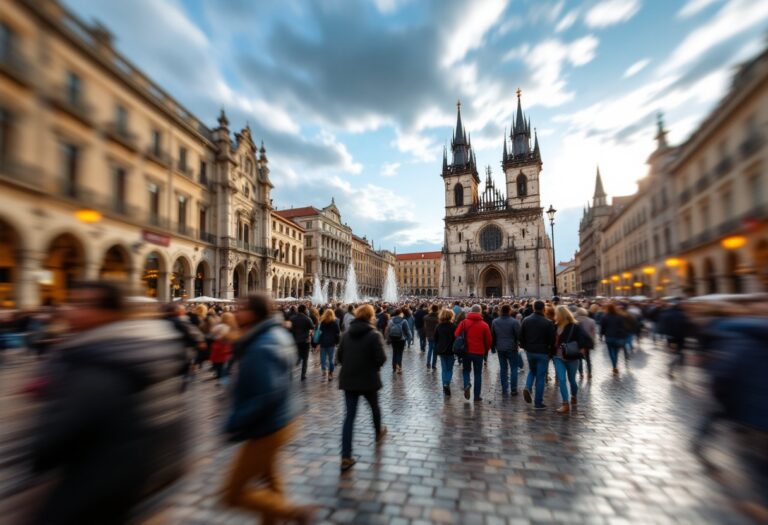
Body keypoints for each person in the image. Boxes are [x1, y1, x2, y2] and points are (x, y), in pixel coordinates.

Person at [27, 281, 188, 525]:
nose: (69, 310)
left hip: (93, 490)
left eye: (81, 304)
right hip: (133, 486)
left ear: (110, 311)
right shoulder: (150, 346)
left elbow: (51, 443)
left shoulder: (99, 359)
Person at [223, 294, 318, 525]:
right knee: (271, 480)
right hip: (282, 419)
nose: (236, 311)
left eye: (241, 308)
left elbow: (267, 394)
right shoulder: (275, 334)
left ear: (254, 313)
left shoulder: (262, 345)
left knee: (231, 494)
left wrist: (234, 423)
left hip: (267, 425)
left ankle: (293, 512)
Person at [337, 305, 388, 472]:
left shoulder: (346, 334)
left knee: (349, 417)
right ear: (371, 317)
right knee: (374, 408)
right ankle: (378, 432)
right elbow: (381, 358)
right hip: (368, 379)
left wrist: (351, 365)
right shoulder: (374, 335)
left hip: (349, 379)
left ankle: (345, 456)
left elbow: (339, 357)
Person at [553, 306, 592, 414]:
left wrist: (581, 349)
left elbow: (584, 339)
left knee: (572, 380)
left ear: (561, 315)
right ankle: (565, 404)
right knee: (561, 379)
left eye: (557, 313)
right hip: (558, 357)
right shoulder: (554, 326)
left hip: (572, 357)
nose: (555, 316)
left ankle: (574, 395)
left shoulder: (575, 326)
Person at [520, 300, 556, 410]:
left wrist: (526, 347)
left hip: (530, 351)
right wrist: (550, 352)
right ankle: (538, 402)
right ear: (543, 309)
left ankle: (528, 386)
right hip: (543, 352)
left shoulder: (526, 320)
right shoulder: (548, 322)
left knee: (532, 371)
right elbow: (552, 340)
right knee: (540, 377)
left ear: (533, 308)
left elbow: (521, 337)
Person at [455, 305, 492, 402]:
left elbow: (456, 334)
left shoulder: (463, 323)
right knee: (477, 374)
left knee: (466, 370)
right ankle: (476, 396)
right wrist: (485, 351)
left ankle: (467, 384)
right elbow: (488, 341)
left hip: (466, 351)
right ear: (480, 312)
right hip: (479, 352)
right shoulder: (484, 325)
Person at [491, 304, 521, 396]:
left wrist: (493, 347)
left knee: (503, 369)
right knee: (514, 368)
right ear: (509, 311)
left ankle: (504, 389)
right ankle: (514, 389)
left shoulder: (495, 321)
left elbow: (493, 335)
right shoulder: (514, 322)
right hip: (512, 347)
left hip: (500, 348)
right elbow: (518, 335)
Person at [209, 312, 238, 386]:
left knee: (218, 364)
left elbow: (212, 333)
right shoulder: (233, 327)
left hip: (218, 347)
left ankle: (220, 377)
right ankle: (224, 379)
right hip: (228, 347)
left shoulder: (219, 326)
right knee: (226, 364)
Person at [288, 304, 315, 381]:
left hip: (295, 340)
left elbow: (289, 329)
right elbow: (312, 327)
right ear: (304, 310)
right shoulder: (307, 319)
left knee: (295, 356)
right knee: (305, 359)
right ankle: (303, 375)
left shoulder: (292, 318)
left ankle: (291, 372)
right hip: (305, 341)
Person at [433, 308, 456, 396]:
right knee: (450, 369)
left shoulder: (438, 326)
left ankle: (444, 386)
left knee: (444, 369)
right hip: (451, 350)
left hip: (441, 350)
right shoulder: (453, 326)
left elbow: (435, 338)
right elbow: (456, 338)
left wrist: (438, 346)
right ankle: (447, 383)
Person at [600, 303, 627, 376]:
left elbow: (602, 328)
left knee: (611, 352)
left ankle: (614, 366)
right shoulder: (619, 316)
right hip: (618, 336)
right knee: (616, 352)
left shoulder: (604, 317)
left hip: (609, 336)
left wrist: (601, 336)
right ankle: (615, 365)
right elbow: (623, 327)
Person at [316, 308, 341, 381]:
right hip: (332, 343)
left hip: (323, 342)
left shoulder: (323, 322)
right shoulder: (335, 322)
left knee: (323, 358)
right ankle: (330, 373)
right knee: (331, 359)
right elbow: (338, 333)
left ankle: (324, 370)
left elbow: (320, 333)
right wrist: (337, 342)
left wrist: (318, 343)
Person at [386, 308, 411, 374]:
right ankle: (399, 367)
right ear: (400, 313)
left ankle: (394, 367)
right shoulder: (404, 320)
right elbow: (408, 331)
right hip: (401, 339)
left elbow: (388, 330)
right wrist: (410, 338)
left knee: (394, 352)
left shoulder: (391, 321)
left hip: (393, 338)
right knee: (400, 353)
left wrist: (388, 339)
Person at [575, 307, 596, 379]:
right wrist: (593, 342)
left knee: (579, 358)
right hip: (588, 342)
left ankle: (581, 374)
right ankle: (589, 373)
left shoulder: (575, 320)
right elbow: (593, 334)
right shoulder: (591, 321)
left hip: (578, 342)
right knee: (588, 358)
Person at [423, 304, 440, 370]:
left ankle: (428, 363)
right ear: (437, 309)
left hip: (429, 335)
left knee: (430, 349)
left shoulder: (426, 317)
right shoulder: (438, 318)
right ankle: (434, 365)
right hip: (436, 336)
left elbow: (425, 327)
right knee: (435, 350)